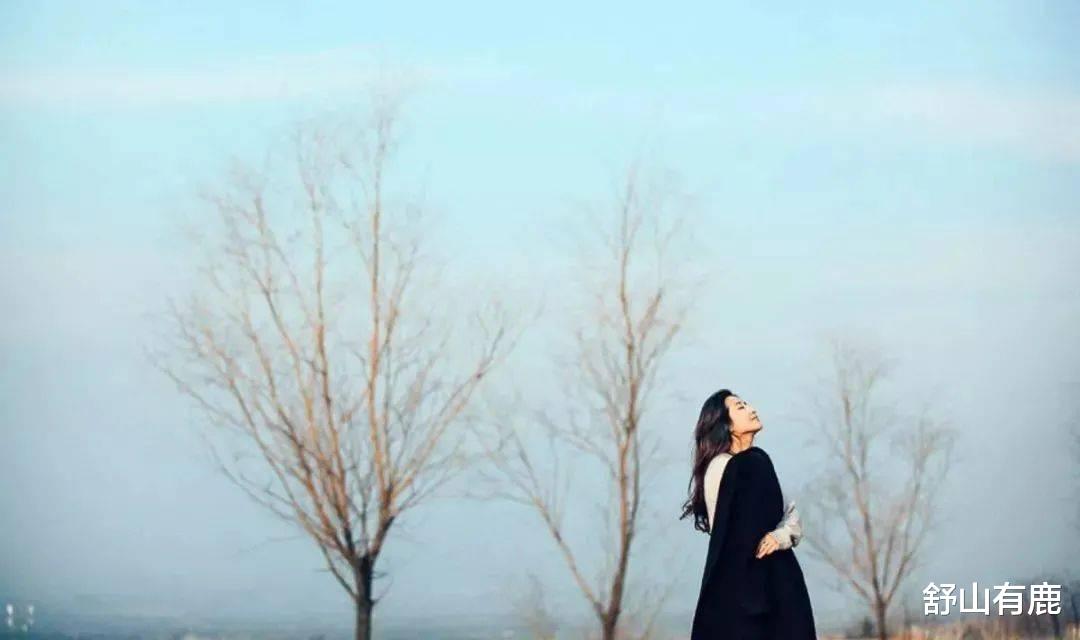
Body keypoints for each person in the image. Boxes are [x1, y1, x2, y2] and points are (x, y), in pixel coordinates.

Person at [680, 389, 817, 639]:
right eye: (740, 407)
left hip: (778, 579)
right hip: (742, 587)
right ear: (727, 425)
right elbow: (727, 530)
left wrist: (778, 537)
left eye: (747, 404)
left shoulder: (759, 464)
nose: (752, 409)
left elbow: (791, 515)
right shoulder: (721, 467)